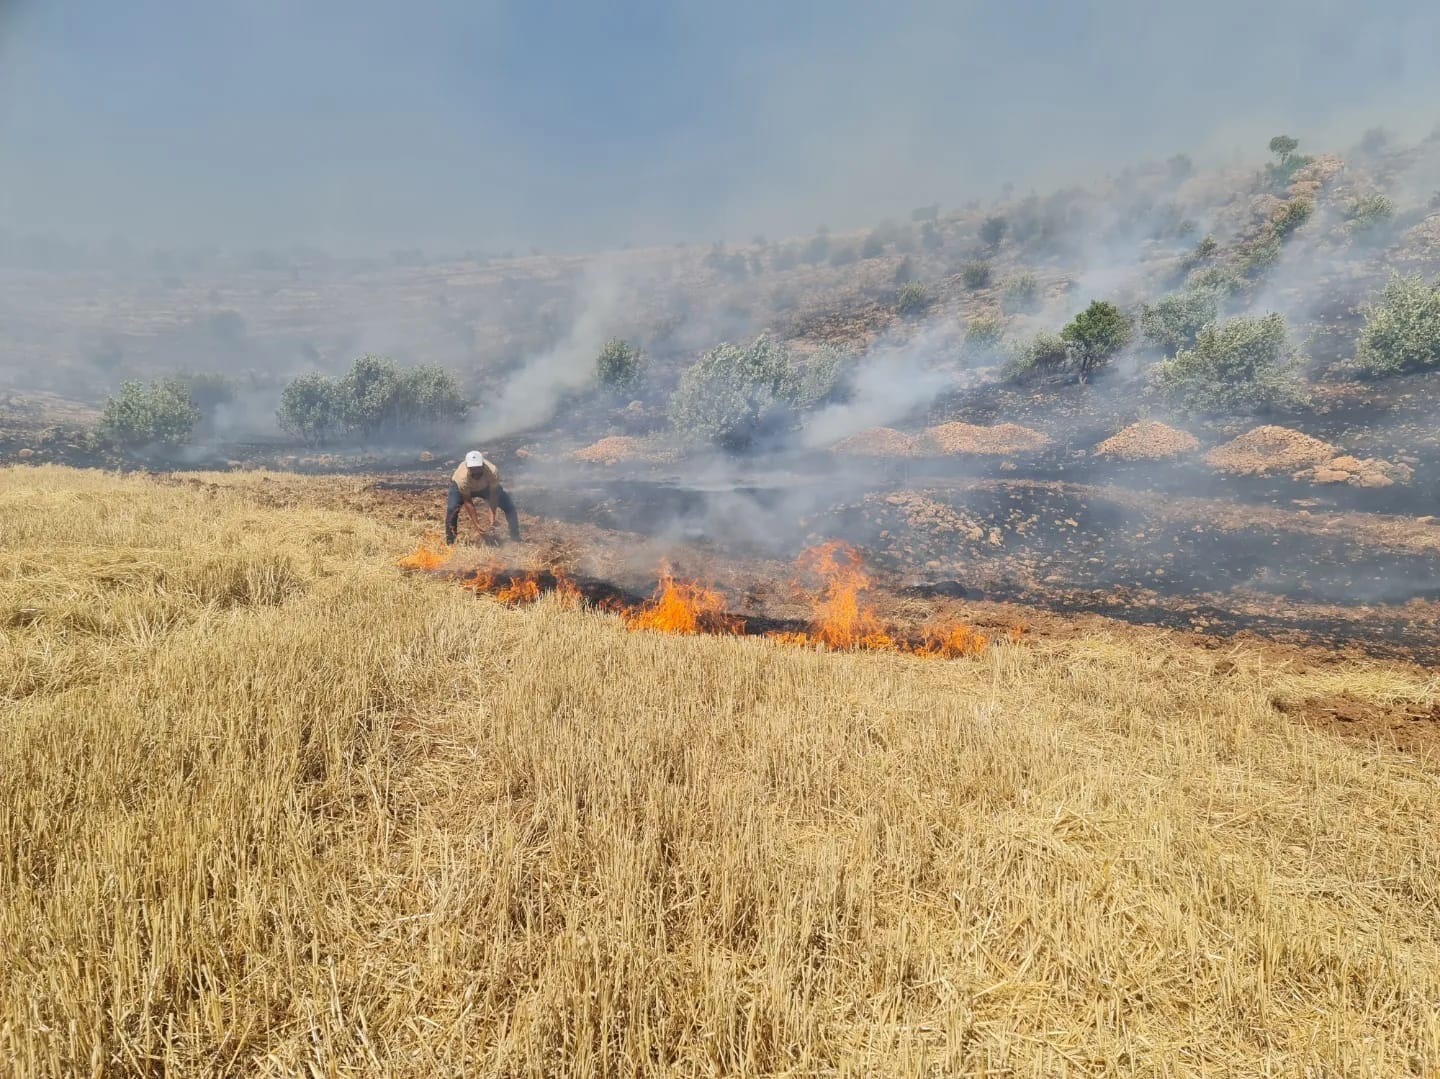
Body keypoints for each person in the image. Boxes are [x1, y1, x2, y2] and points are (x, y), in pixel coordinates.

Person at [445, 450, 521, 544]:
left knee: (509, 506)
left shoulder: (492, 471)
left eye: (478, 468)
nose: (476, 472)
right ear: (468, 467)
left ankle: (515, 537)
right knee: (452, 509)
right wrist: (477, 525)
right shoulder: (461, 477)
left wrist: (492, 517)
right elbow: (468, 502)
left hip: (485, 487)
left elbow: (493, 495)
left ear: (482, 465)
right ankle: (450, 541)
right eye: (472, 469)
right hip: (464, 488)